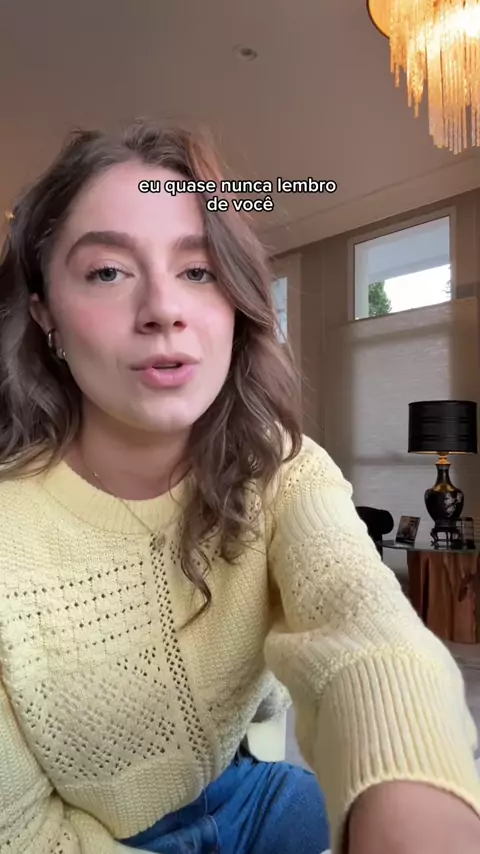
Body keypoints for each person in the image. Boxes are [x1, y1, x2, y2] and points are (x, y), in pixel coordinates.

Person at [0, 119, 479, 854]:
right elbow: (21, 830)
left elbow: (368, 633)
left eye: (198, 270)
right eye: (107, 272)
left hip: (256, 795)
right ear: (46, 316)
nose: (164, 309)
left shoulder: (282, 469)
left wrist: (415, 801)